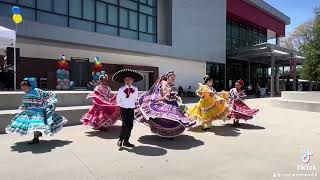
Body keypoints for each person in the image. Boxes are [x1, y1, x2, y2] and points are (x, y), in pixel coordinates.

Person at [5, 77, 67, 144]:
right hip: (34, 112)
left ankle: (36, 138)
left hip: (37, 113)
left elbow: (33, 101)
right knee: (35, 125)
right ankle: (37, 135)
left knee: (35, 125)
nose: (23, 90)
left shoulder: (34, 92)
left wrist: (47, 104)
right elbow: (31, 102)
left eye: (24, 88)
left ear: (30, 86)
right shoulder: (34, 91)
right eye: (22, 88)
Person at [135, 71, 195, 138]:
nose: (173, 79)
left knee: (172, 120)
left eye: (174, 78)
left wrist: (175, 97)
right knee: (165, 119)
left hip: (173, 104)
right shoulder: (164, 84)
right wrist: (158, 100)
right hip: (166, 104)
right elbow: (166, 96)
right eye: (172, 78)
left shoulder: (171, 85)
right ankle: (164, 134)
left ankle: (168, 134)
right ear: (167, 78)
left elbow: (171, 96)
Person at [113, 69, 143, 148]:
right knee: (125, 124)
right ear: (124, 81)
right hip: (124, 109)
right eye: (126, 80)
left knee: (130, 125)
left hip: (131, 109)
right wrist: (122, 106)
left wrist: (135, 106)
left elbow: (136, 98)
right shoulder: (121, 89)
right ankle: (121, 139)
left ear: (132, 80)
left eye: (129, 79)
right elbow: (118, 100)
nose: (127, 81)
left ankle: (126, 141)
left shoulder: (135, 89)